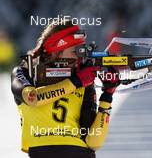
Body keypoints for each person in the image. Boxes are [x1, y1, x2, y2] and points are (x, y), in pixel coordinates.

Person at [11, 20, 120, 158]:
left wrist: (107, 96)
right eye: (76, 51)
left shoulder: (83, 81)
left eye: (83, 51)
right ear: (56, 50)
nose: (80, 57)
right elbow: (32, 98)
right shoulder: (26, 73)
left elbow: (94, 142)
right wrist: (75, 82)